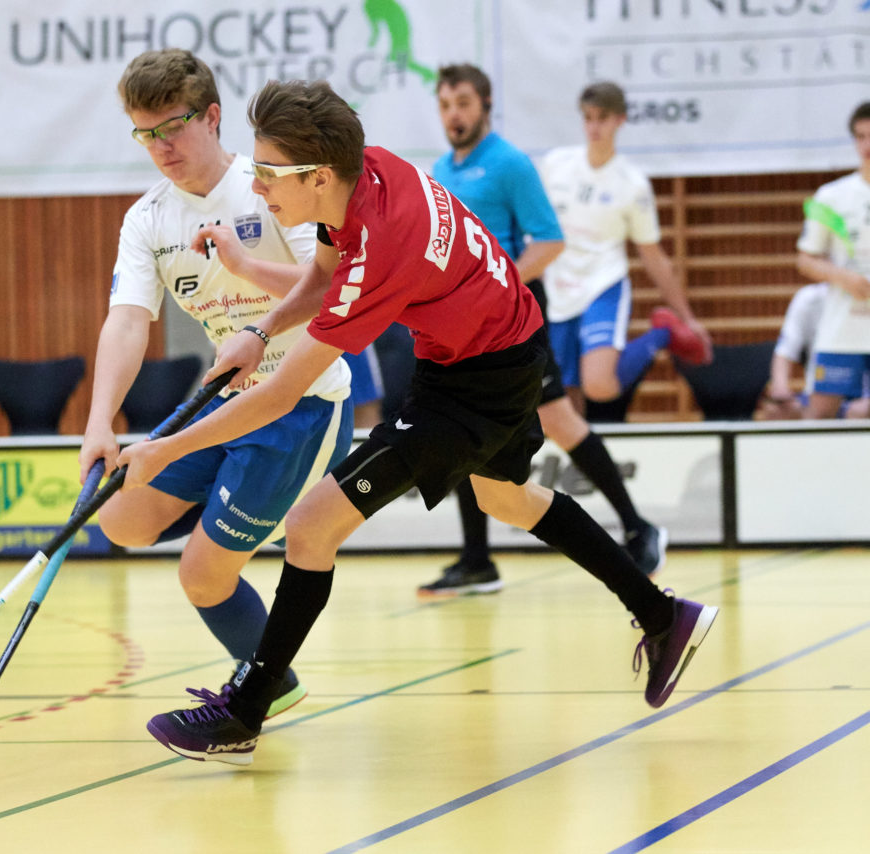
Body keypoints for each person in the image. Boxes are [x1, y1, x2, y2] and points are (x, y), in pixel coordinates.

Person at [130, 79, 718, 766]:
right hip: (492, 345)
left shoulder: (382, 247)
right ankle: (662, 614)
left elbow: (282, 394)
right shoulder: (364, 167)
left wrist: (165, 449)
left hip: (479, 376)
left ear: (317, 176)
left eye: (267, 173)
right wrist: (260, 332)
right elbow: (322, 275)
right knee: (507, 497)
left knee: (312, 524)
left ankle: (246, 710)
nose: (255, 186)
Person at [81, 49, 353, 721]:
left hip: (302, 401)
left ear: (212, 117)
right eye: (144, 134)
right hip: (227, 399)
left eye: (171, 127)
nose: (160, 147)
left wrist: (255, 306)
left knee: (201, 574)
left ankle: (265, 684)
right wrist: (99, 419)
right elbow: (127, 320)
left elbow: (333, 290)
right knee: (118, 514)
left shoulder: (273, 189)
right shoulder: (147, 218)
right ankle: (226, 519)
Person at [419, 64, 669, 599]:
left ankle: (636, 526)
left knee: (559, 420)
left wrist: (496, 285)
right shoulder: (441, 168)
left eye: (463, 102)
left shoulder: (510, 164)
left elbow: (549, 241)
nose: (454, 114)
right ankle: (478, 559)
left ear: (485, 105)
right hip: (466, 328)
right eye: (445, 105)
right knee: (466, 428)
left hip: (514, 318)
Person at [538, 81, 712, 410]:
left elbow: (652, 254)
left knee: (599, 385)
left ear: (620, 120)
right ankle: (578, 462)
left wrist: (686, 317)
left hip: (602, 285)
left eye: (602, 117)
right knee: (564, 400)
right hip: (559, 290)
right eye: (588, 117)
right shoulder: (556, 166)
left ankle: (663, 333)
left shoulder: (632, 184)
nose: (594, 126)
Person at [794, 101, 870, 420]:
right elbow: (806, 259)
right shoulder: (832, 196)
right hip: (844, 325)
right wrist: (844, 278)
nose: (867, 146)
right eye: (860, 136)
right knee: (820, 414)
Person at [761, 282, 870, 420]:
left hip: (863, 394)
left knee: (860, 412)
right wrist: (781, 392)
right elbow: (784, 351)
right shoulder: (810, 298)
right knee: (779, 410)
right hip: (817, 394)